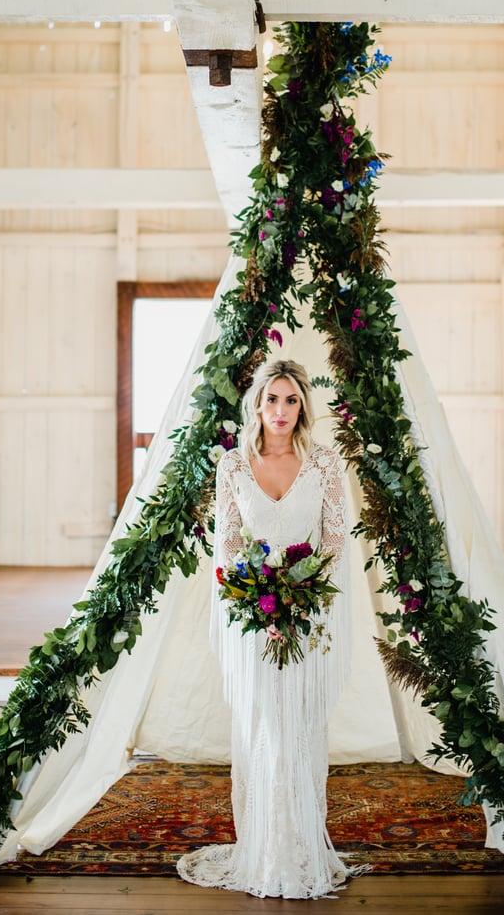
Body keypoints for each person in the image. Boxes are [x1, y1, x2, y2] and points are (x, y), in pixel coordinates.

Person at [176, 358, 354, 899]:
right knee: (266, 725)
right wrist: (259, 598)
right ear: (257, 404)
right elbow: (228, 545)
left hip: (306, 614)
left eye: (291, 400)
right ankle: (264, 850)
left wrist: (299, 596)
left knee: (298, 726)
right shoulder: (232, 465)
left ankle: (299, 846)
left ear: (303, 407)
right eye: (272, 399)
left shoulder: (323, 463)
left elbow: (334, 540)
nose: (280, 410)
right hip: (255, 615)